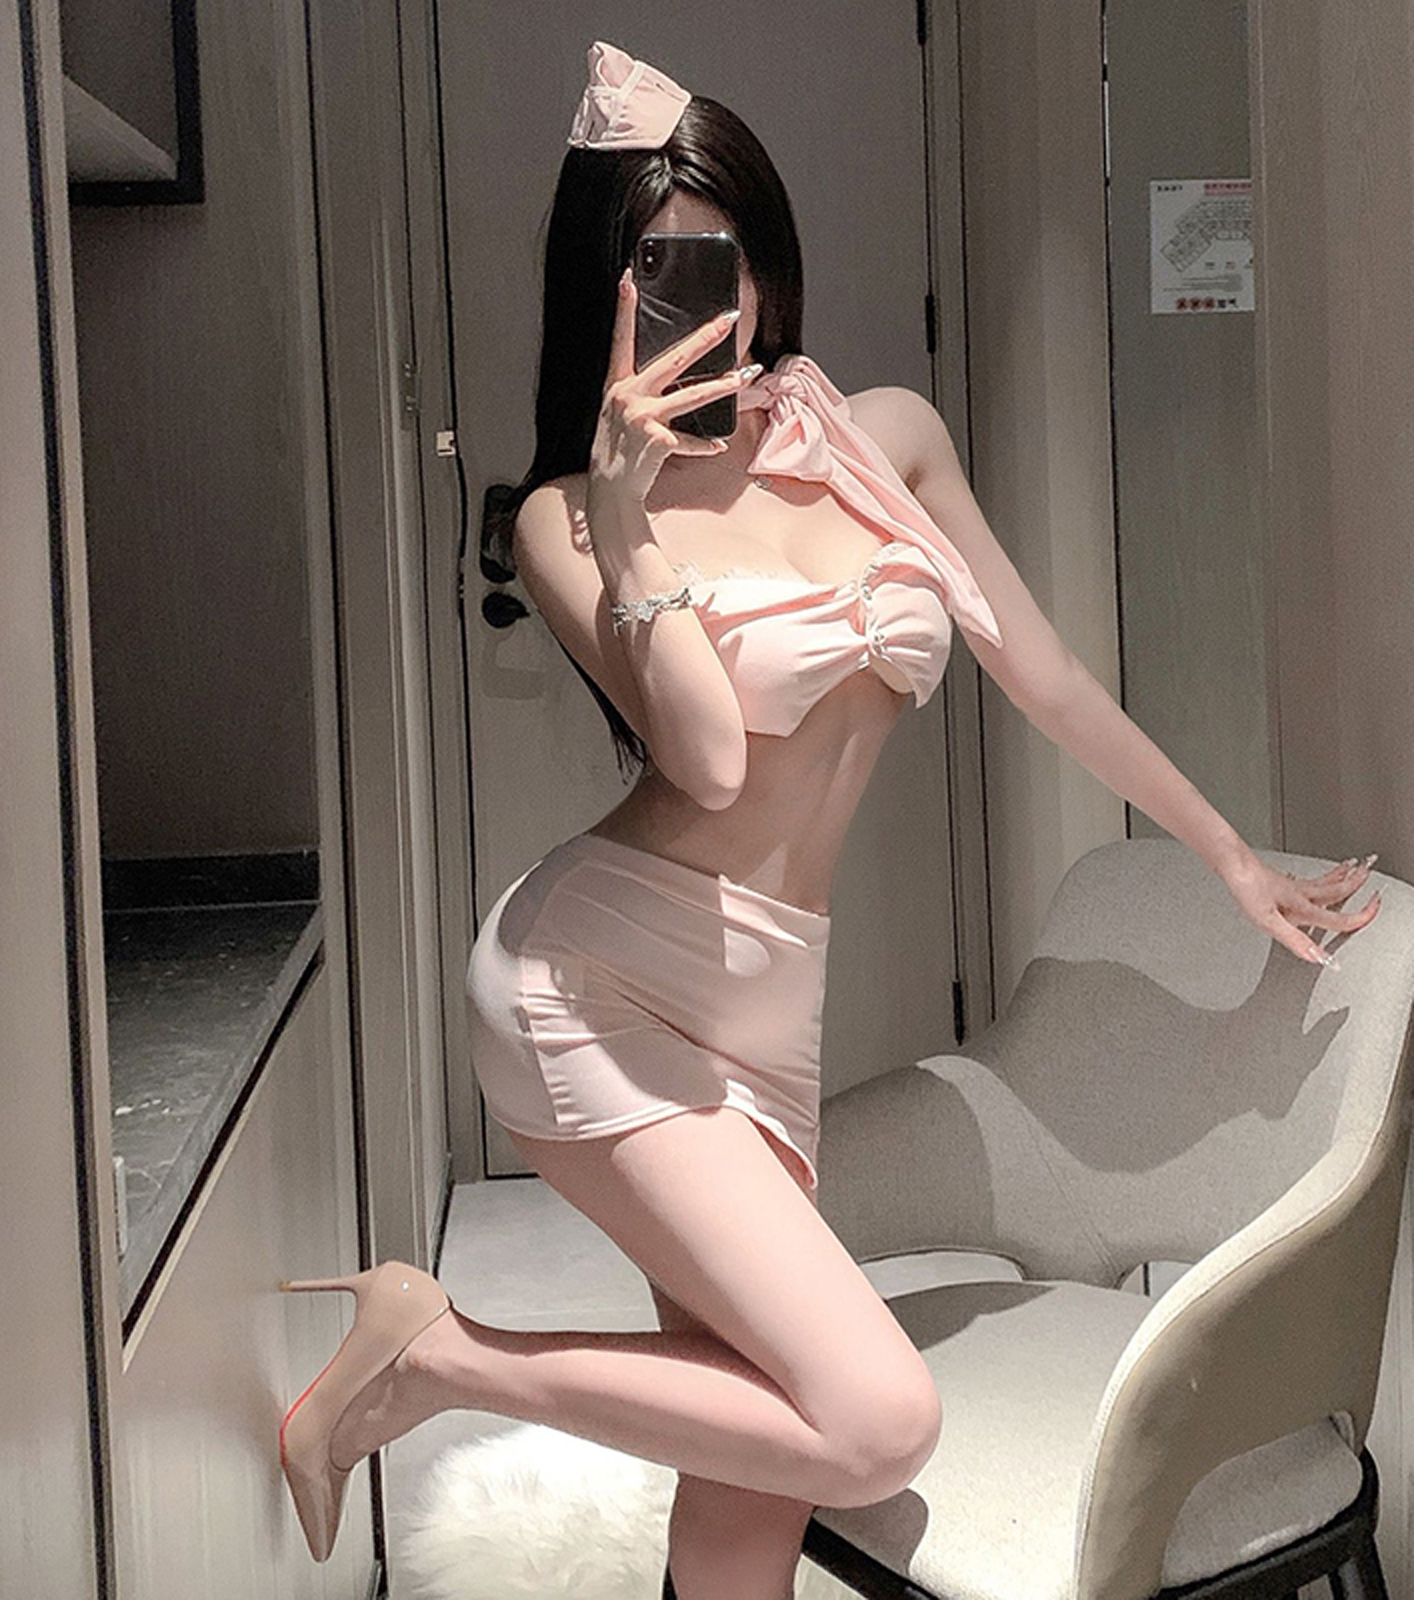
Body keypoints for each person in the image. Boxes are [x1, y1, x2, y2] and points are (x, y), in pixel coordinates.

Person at [277, 40, 1381, 1591]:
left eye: (723, 259)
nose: (706, 306)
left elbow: (1048, 675)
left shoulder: (886, 437)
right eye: (657, 271)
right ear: (602, 293)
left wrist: (1225, 857)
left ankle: (448, 1370)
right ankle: (440, 1356)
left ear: (770, 261)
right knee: (869, 1420)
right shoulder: (562, 520)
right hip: (596, 992)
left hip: (769, 1005)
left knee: (748, 1482)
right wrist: (625, 522)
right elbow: (709, 763)